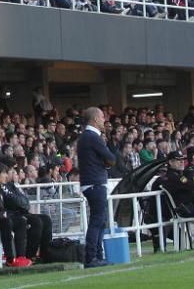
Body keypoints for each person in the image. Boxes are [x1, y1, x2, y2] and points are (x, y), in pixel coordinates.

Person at [77, 106, 115, 268]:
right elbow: (111, 158)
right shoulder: (93, 137)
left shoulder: (86, 137)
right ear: (94, 119)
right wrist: (106, 162)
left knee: (100, 220)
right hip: (95, 183)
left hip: (91, 182)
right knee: (97, 220)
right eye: (101, 117)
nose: (104, 120)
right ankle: (91, 256)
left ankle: (97, 255)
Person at [3, 172, 53, 262]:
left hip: (20, 212)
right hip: (11, 216)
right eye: (13, 172)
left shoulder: (11, 185)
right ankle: (29, 256)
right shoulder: (0, 188)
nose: (16, 174)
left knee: (46, 219)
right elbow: (14, 201)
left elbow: (25, 200)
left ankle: (45, 255)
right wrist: (21, 204)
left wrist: (22, 204)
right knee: (36, 221)